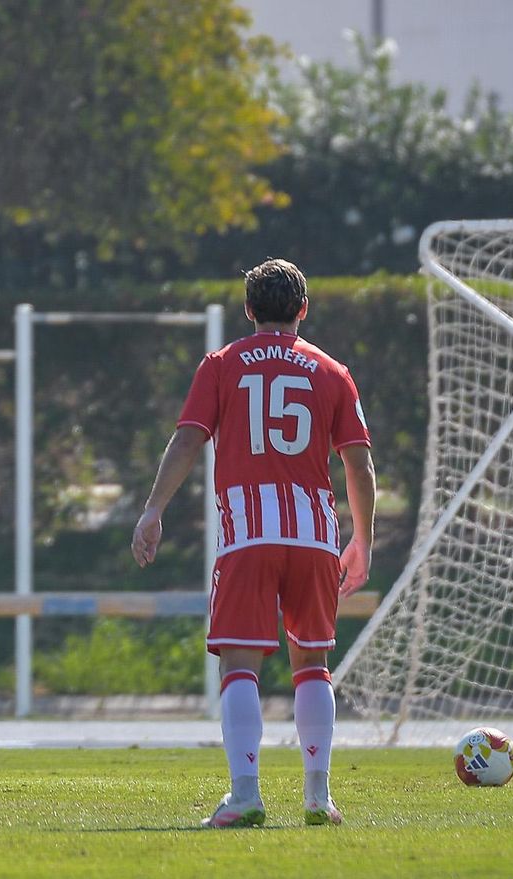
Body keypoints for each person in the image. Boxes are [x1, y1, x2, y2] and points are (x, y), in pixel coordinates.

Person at [132, 259, 375, 827]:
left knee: (240, 663)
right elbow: (359, 464)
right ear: (303, 310)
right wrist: (363, 537)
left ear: (248, 310)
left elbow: (187, 440)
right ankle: (318, 797)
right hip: (315, 535)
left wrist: (154, 509)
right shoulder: (332, 371)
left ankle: (245, 795)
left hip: (248, 532)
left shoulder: (222, 364)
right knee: (312, 662)